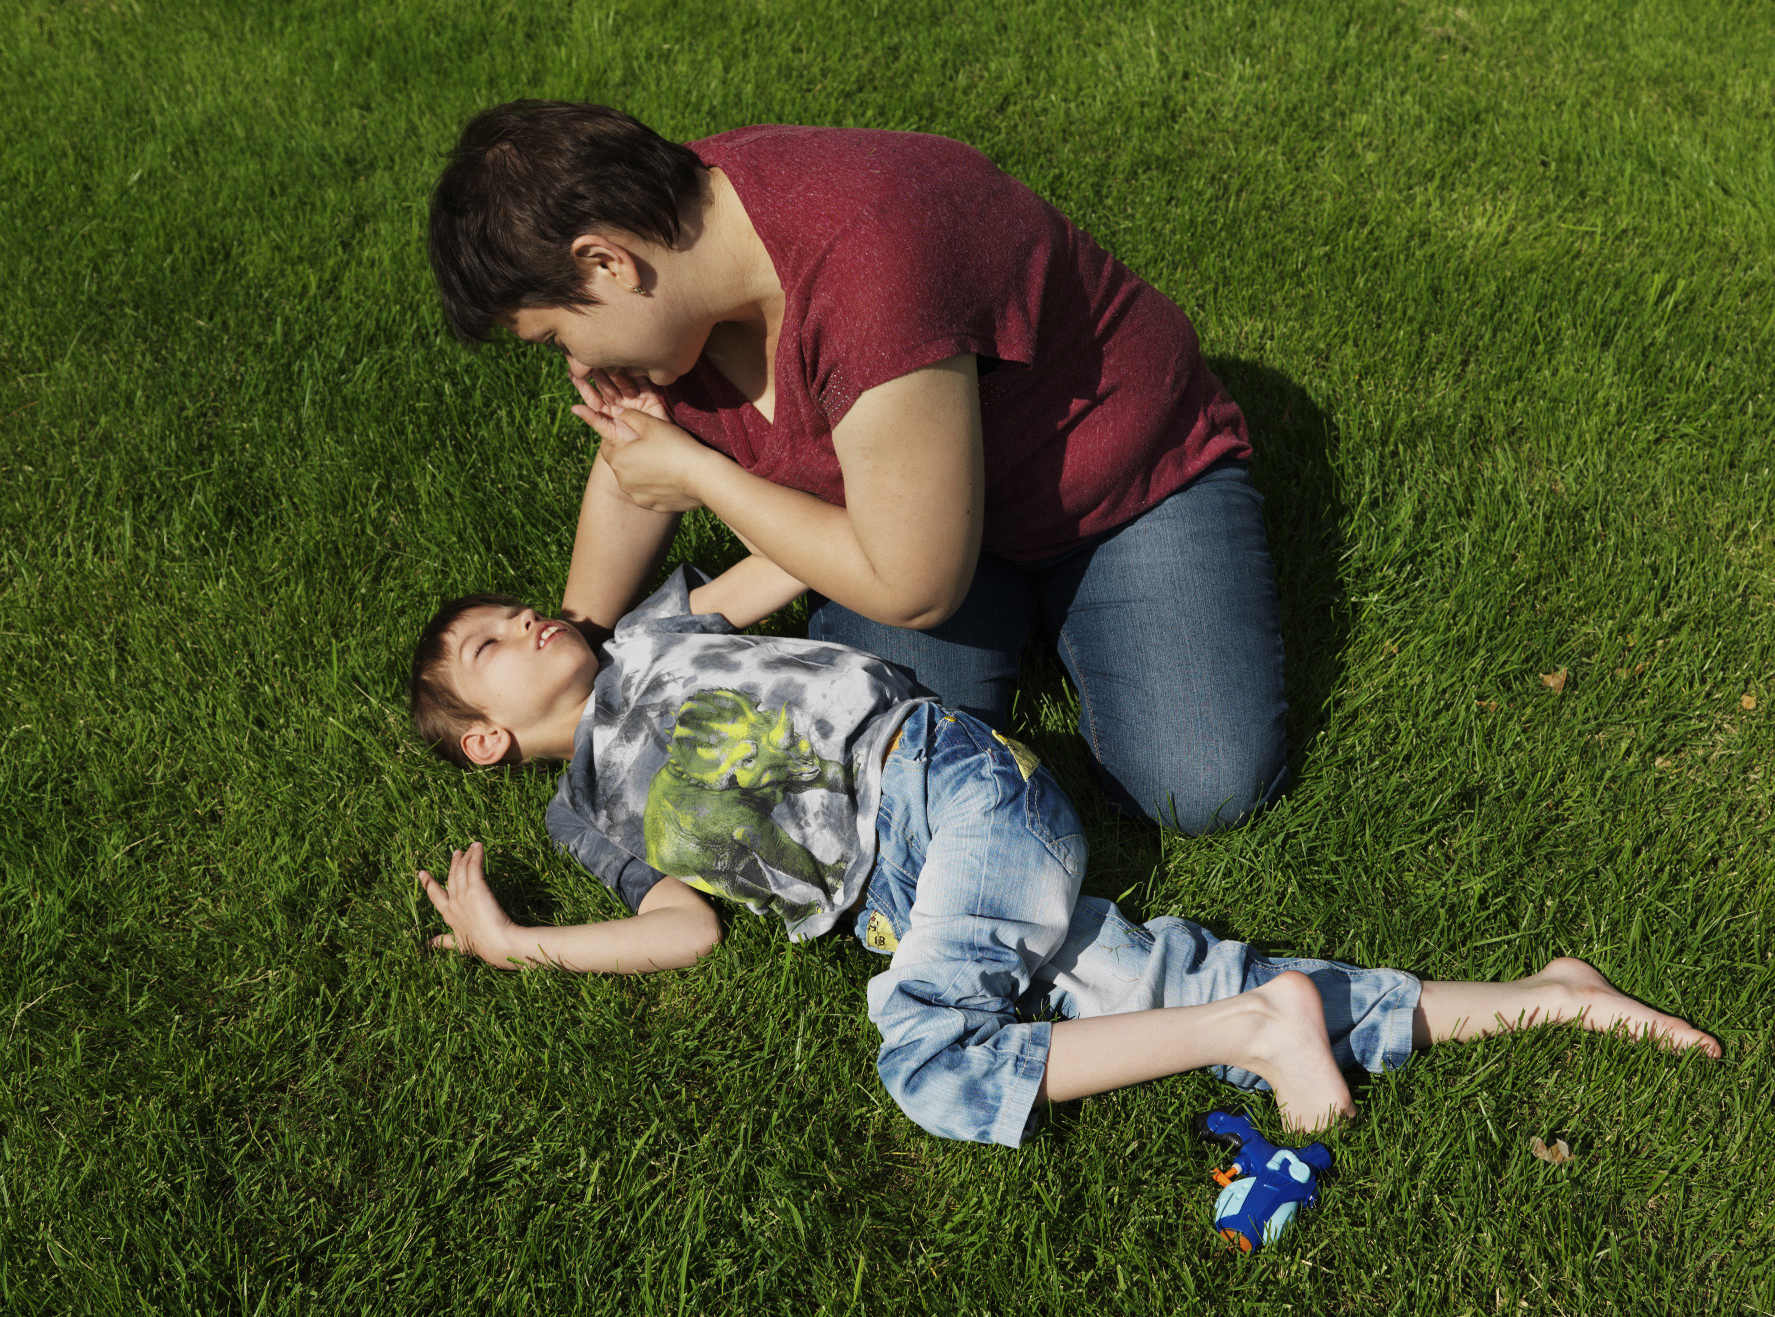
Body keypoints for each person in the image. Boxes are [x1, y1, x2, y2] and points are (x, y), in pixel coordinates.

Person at [408, 556, 1722, 1148]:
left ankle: (1254, 1030)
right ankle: (1549, 996)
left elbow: (791, 556)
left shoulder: (654, 631)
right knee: (1165, 987)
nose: (522, 621)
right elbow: (683, 929)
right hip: (904, 900)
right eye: (487, 646)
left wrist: (683, 461)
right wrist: (517, 943)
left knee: (927, 1063)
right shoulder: (586, 815)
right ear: (482, 741)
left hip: (947, 784)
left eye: (512, 609)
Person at [426, 100, 1292, 834]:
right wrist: (587, 647)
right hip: (916, 523)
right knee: (876, 782)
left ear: (605, 262)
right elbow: (633, 464)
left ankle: (1083, 604)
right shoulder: (675, 257)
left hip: (1119, 490)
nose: (576, 366)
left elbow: (915, 588)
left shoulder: (871, 266)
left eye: (557, 335)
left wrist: (701, 476)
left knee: (1199, 786)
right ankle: (1020, 613)